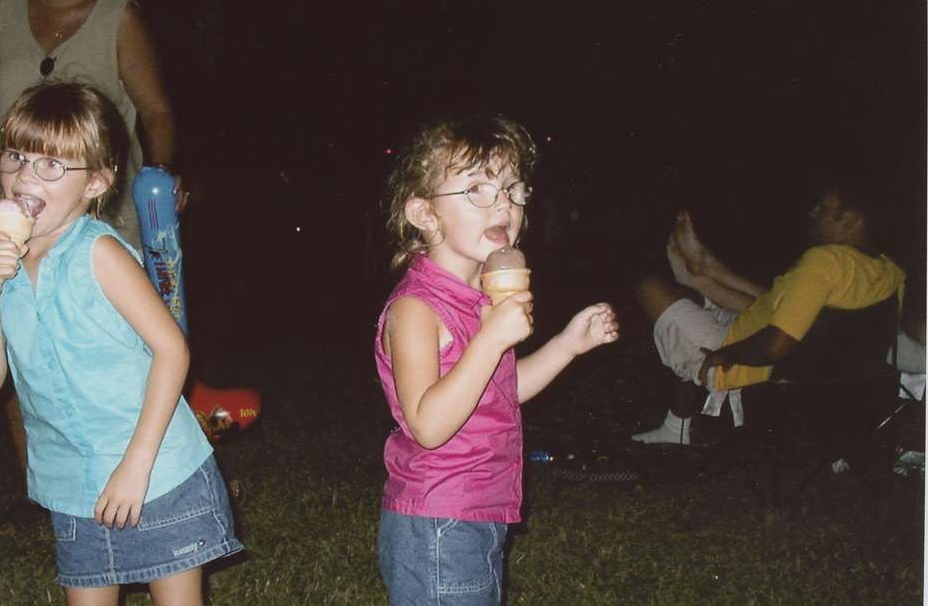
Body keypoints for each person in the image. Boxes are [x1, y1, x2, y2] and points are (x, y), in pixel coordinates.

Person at [0, 0, 185, 516]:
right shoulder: (4, 6)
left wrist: (159, 180)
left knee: (102, 351)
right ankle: (48, 493)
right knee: (17, 347)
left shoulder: (120, 15)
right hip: (1, 199)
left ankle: (134, 476)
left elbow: (156, 113)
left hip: (87, 208)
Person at [0, 83, 240, 601]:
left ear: (95, 183)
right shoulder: (1, 263)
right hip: (72, 483)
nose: (26, 175)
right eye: (17, 157)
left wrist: (136, 465)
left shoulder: (98, 253)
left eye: (52, 165)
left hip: (155, 470)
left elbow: (171, 350)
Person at [374, 116, 619, 604]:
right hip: (440, 517)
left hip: (478, 511)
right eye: (478, 189)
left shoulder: (478, 298)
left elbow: (500, 390)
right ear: (424, 213)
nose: (503, 202)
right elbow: (427, 423)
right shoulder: (416, 309)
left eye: (512, 188)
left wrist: (568, 344)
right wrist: (490, 339)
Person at [632, 173, 907, 445]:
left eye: (822, 208)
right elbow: (783, 310)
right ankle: (704, 270)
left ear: (850, 219)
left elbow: (775, 346)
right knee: (769, 302)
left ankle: (676, 428)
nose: (812, 212)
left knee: (649, 286)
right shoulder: (891, 273)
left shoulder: (824, 261)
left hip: (751, 363)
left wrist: (723, 354)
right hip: (825, 371)